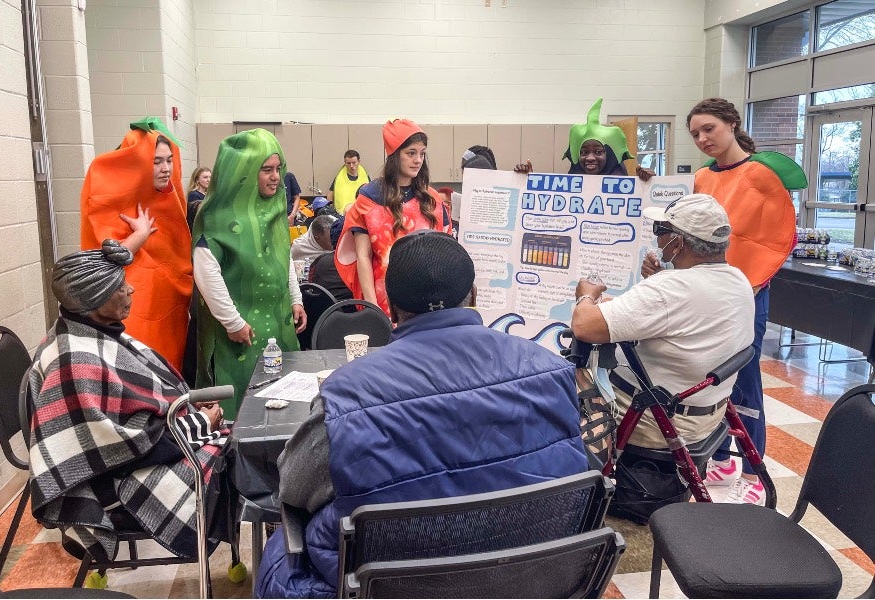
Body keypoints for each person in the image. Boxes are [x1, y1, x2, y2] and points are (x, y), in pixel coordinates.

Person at [255, 231, 589, 598]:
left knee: (281, 553)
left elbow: (294, 486)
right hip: (527, 579)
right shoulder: (552, 371)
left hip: (396, 588)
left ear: (391, 307)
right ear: (473, 296)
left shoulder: (348, 393)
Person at [643, 97, 807, 504]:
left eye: (709, 129)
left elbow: (770, 239)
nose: (702, 138)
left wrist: (745, 286)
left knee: (744, 380)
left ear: (732, 123)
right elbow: (683, 231)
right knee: (707, 379)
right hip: (700, 294)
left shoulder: (762, 175)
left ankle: (754, 471)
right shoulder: (701, 177)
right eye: (695, 133)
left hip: (744, 294)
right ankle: (721, 456)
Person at [28, 240, 230, 564]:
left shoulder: (91, 330)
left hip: (127, 453)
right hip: (109, 481)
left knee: (240, 447)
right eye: (120, 287)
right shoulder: (74, 362)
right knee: (231, 470)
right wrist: (200, 424)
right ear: (94, 301)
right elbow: (118, 449)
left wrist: (190, 416)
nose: (131, 289)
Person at [572, 194, 754, 453]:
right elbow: (687, 309)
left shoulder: (671, 288)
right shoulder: (737, 279)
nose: (657, 238)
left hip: (654, 420)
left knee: (560, 381)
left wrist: (586, 295)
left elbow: (584, 325)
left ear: (678, 242)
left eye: (661, 230)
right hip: (706, 413)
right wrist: (659, 278)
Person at [193, 128, 307, 418]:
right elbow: (206, 272)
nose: (275, 177)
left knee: (283, 404)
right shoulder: (216, 216)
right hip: (239, 336)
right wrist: (232, 322)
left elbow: (281, 255)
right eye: (266, 170)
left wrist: (296, 298)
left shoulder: (274, 208)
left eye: (278, 169)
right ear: (243, 173)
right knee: (242, 412)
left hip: (278, 328)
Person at [80, 117, 193, 370]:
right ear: (137, 163)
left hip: (167, 316)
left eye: (169, 161)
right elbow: (103, 264)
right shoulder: (112, 204)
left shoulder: (164, 202)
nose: (166, 169)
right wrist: (139, 236)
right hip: (134, 316)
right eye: (156, 161)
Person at [335, 118, 453, 315]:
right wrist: (372, 308)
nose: (418, 160)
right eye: (411, 153)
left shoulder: (432, 199)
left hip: (430, 304)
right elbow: (363, 256)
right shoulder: (369, 199)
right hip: (385, 303)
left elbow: (447, 252)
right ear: (394, 155)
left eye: (422, 153)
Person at [308, 216, 353, 302]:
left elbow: (311, 287)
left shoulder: (319, 261)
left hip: (325, 312)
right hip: (357, 312)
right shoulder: (360, 262)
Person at [326, 149, 370, 214]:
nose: (351, 166)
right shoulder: (339, 178)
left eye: (354, 163)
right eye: (348, 163)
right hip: (342, 215)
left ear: (359, 161)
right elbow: (329, 197)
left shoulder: (365, 177)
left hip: (361, 214)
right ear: (345, 162)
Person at [187, 166, 211, 231]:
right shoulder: (194, 195)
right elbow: (198, 217)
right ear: (197, 180)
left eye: (210, 177)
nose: (209, 180)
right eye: (205, 177)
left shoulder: (207, 194)